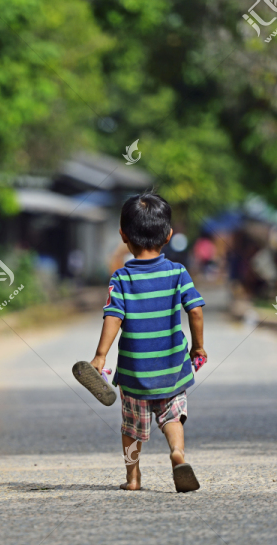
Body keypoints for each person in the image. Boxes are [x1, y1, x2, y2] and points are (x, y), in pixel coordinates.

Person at [89, 191, 207, 493]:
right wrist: (198, 346)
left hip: (134, 375)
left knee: (131, 429)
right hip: (172, 370)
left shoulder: (122, 278)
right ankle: (177, 454)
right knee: (172, 419)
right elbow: (195, 310)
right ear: (168, 235)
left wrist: (100, 356)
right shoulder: (178, 273)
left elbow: (113, 318)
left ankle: (133, 477)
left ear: (123, 235)